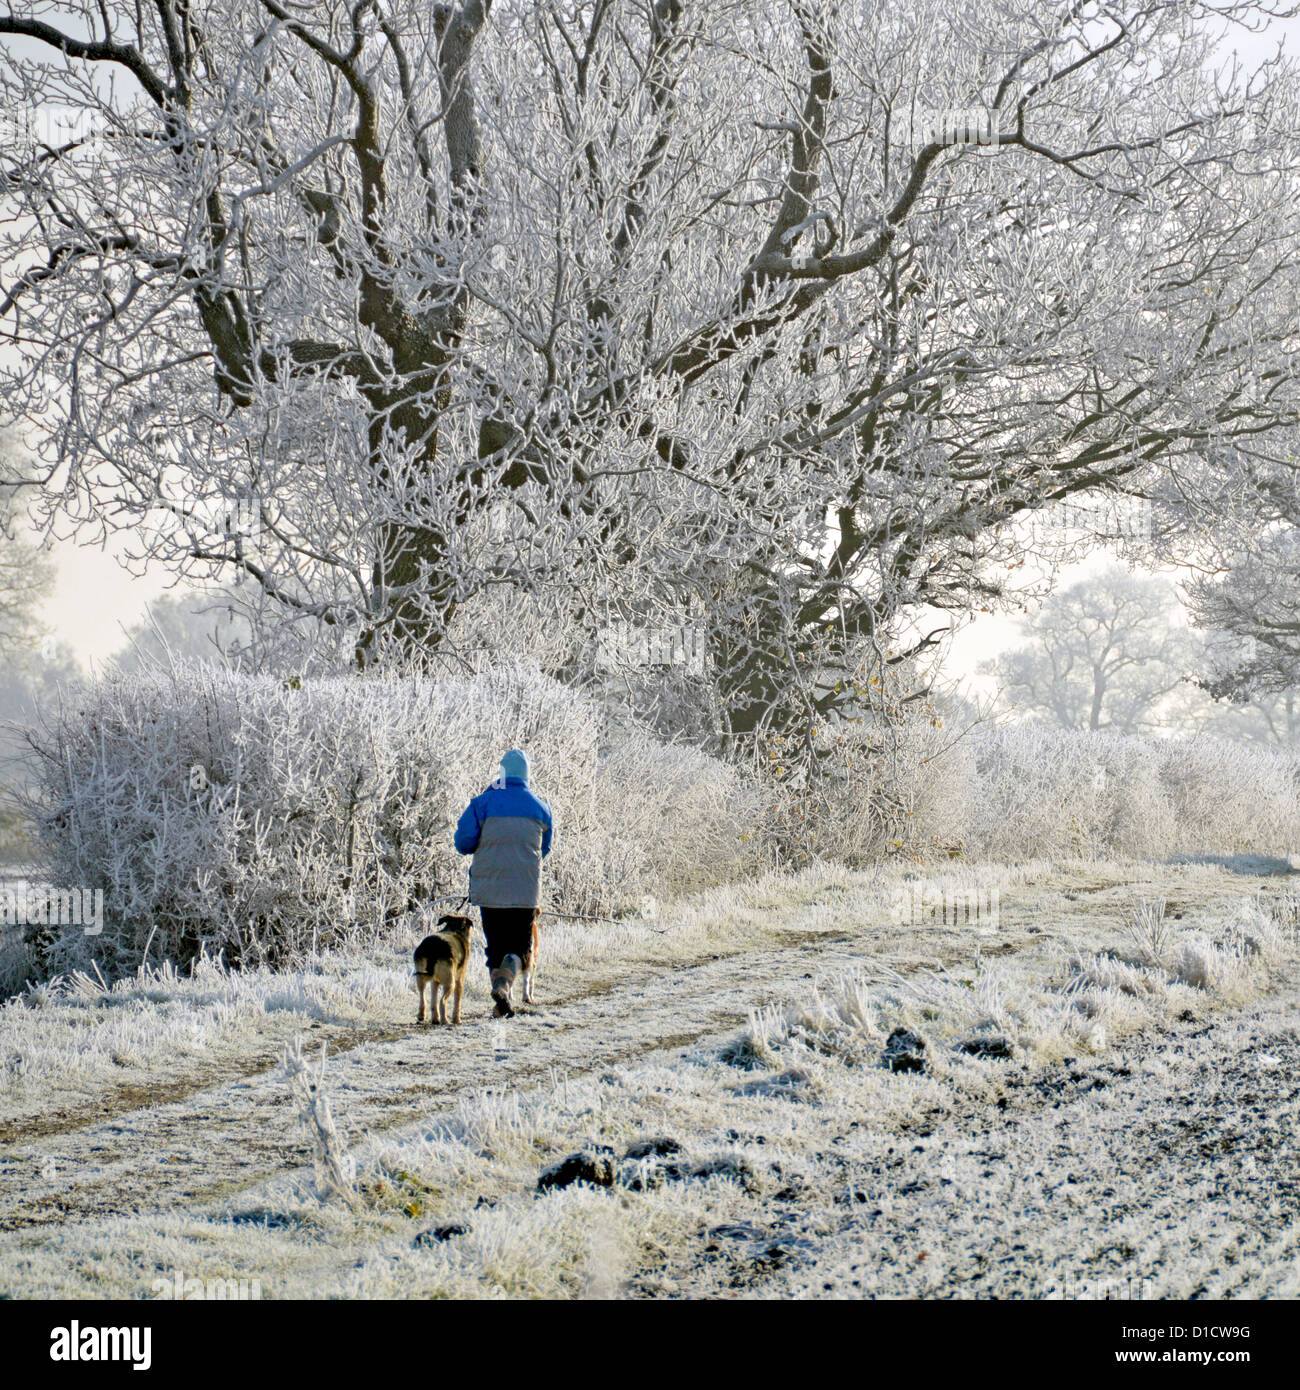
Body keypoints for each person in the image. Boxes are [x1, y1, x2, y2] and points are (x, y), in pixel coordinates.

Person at [453, 748, 553, 1016]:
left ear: (502, 772)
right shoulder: (541, 808)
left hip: (490, 890)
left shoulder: (482, 803)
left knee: (495, 947)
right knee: (519, 950)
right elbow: (544, 850)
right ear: (527, 775)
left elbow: (463, 842)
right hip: (525, 892)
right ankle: (504, 989)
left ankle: (500, 999)